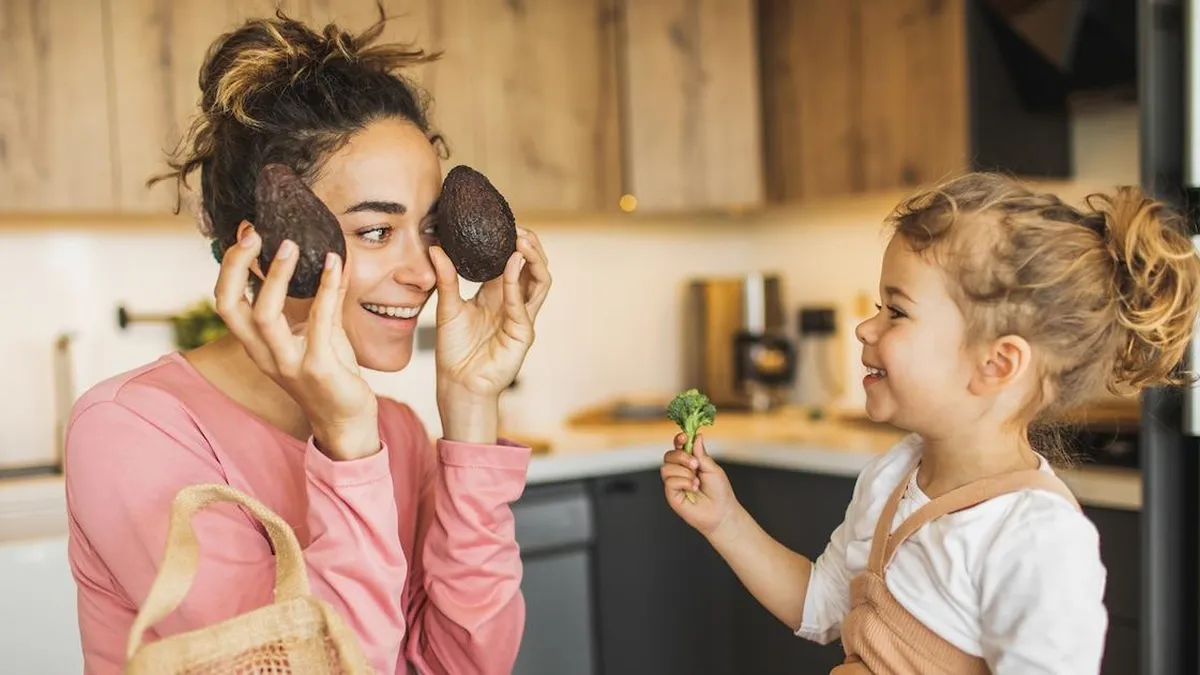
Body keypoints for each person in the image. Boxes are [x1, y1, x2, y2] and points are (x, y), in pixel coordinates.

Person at [62, 8, 550, 675]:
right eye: (376, 231)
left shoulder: (397, 434)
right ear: (264, 248)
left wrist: (470, 411)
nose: (421, 274)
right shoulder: (131, 430)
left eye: (429, 230)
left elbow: (468, 663)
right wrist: (348, 447)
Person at [661, 172, 1200, 674]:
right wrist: (725, 521)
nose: (866, 329)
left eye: (897, 311)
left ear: (997, 364)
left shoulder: (1036, 538)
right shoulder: (892, 477)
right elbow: (820, 605)